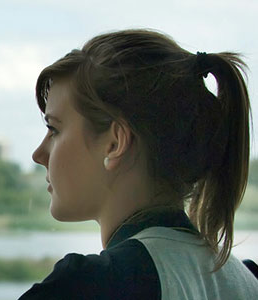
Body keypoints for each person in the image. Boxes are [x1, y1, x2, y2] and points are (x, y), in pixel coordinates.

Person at [19, 29, 258, 299]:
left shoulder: (90, 286)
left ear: (115, 142)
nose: (39, 154)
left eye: (54, 129)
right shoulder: (249, 280)